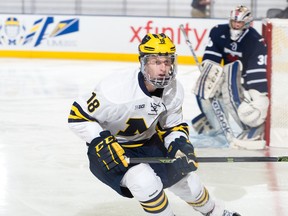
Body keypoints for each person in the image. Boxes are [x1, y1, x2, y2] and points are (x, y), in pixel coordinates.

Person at [68, 33, 240, 216]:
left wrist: (179, 146)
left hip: (147, 143)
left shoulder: (174, 90)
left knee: (189, 183)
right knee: (144, 182)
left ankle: (215, 212)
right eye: (156, 62)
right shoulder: (115, 90)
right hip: (113, 151)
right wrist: (100, 141)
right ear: (143, 62)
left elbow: (172, 127)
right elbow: (77, 116)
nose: (163, 68)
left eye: (167, 62)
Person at [191, 5, 269, 148]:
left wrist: (257, 93)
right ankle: (213, 122)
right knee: (202, 87)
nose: (236, 25)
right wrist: (209, 75)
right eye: (234, 22)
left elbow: (255, 72)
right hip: (227, 73)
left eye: (239, 23)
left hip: (243, 77)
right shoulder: (218, 32)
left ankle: (250, 127)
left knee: (230, 87)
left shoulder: (255, 40)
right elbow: (210, 59)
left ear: (247, 23)